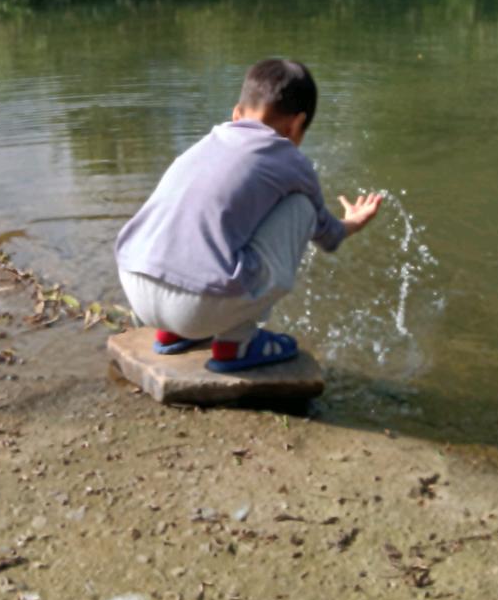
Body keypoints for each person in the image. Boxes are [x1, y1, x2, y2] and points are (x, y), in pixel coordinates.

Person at [115, 58, 382, 373]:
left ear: (237, 113)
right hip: (196, 307)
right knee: (301, 206)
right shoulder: (291, 160)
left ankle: (172, 332)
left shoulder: (204, 145)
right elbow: (328, 235)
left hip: (135, 285)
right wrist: (351, 222)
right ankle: (235, 343)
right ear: (296, 124)